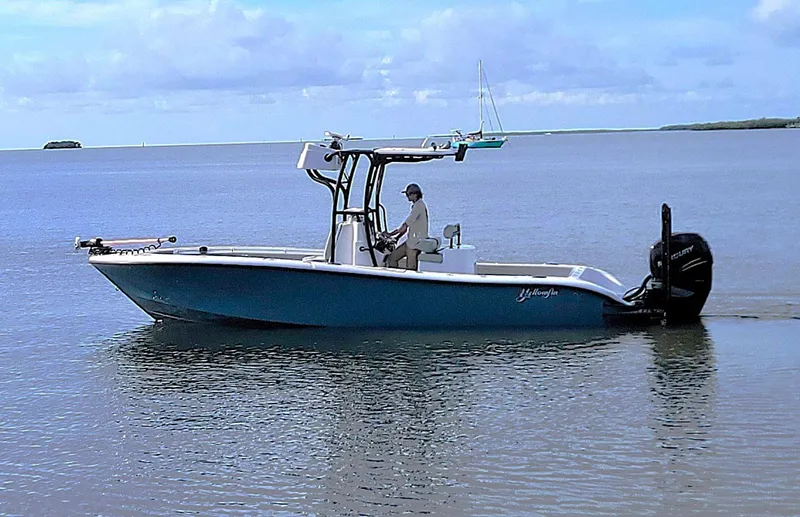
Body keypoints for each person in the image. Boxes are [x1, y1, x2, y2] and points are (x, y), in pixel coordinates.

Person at [384, 183, 428, 270]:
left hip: (415, 243)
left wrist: (390, 234)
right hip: (410, 241)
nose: (407, 196)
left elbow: (404, 225)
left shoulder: (419, 206)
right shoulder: (416, 205)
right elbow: (406, 227)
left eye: (408, 194)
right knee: (392, 258)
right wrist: (397, 238)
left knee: (411, 269)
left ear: (414, 194)